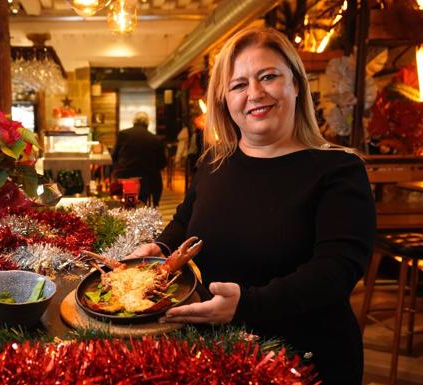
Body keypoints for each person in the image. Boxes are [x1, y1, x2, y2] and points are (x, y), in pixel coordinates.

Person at [128, 27, 376, 384]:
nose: (255, 94)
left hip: (301, 358)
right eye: (239, 85)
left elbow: (336, 271)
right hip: (212, 353)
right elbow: (187, 221)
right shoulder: (215, 161)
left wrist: (245, 305)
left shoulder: (339, 170)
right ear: (225, 101)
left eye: (269, 76)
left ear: (296, 84)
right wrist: (161, 248)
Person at [112, 112, 167, 206]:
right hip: (146, 181)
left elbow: (114, 156)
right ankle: (155, 204)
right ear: (147, 124)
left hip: (124, 177)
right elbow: (162, 163)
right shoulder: (156, 139)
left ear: (134, 122)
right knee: (156, 177)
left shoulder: (123, 134)